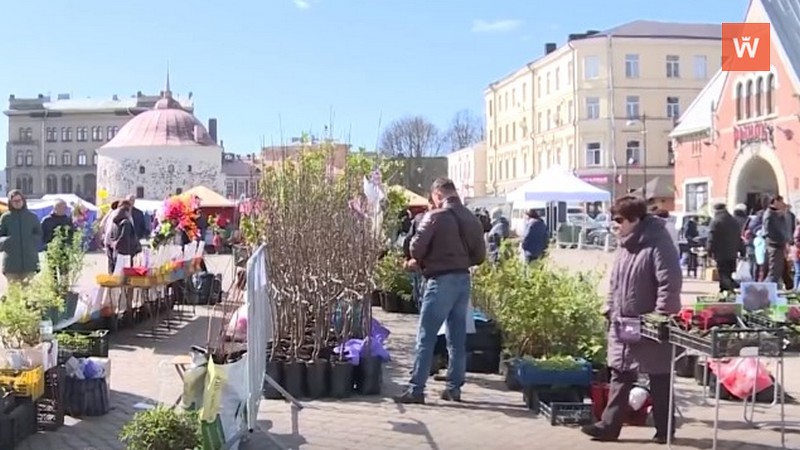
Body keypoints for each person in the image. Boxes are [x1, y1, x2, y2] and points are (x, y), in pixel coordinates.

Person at [581, 196, 682, 444]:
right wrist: (610, 306)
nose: (615, 225)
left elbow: (669, 281)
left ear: (635, 220)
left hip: (649, 323)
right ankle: (609, 426)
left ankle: (664, 429)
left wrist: (661, 315)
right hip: (623, 320)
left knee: (658, 376)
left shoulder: (658, 243)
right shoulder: (625, 245)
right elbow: (616, 282)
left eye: (619, 220)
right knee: (620, 372)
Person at [395, 178, 485, 404]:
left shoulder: (435, 217)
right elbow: (480, 256)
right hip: (463, 279)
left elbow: (416, 247)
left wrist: (427, 259)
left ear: (437, 194)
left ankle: (417, 389)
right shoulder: (471, 218)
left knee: (426, 336)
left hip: (440, 280)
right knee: (456, 338)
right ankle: (454, 388)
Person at [0, 190, 42, 282]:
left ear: (23, 201)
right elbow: (1, 235)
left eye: (19, 200)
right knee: (14, 293)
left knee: (29, 292)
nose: (17, 203)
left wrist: (31, 240)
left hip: (29, 261)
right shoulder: (6, 218)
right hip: (11, 263)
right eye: (14, 201)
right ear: (10, 203)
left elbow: (39, 234)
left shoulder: (32, 217)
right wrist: (7, 241)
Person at [402, 195, 436, 307]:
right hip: (429, 264)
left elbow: (408, 240)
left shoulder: (420, 218)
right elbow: (408, 240)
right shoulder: (420, 219)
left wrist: (408, 258)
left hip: (421, 263)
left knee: (422, 296)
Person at [707, 203, 743, 292]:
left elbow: (712, 237)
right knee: (728, 273)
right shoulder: (733, 220)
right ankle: (726, 290)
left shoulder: (716, 221)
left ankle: (728, 289)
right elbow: (739, 236)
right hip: (732, 252)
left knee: (723, 273)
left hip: (720, 253)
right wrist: (742, 249)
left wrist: (709, 250)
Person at [763, 195, 789, 286]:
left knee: (778, 272)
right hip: (774, 246)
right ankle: (766, 291)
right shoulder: (769, 215)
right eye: (781, 202)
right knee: (774, 272)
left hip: (779, 246)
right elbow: (769, 232)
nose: (783, 204)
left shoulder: (776, 214)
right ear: (775, 202)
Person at [109, 200, 142, 267]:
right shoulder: (126, 222)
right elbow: (124, 237)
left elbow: (111, 236)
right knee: (124, 274)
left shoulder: (114, 222)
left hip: (116, 252)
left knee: (116, 273)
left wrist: (114, 244)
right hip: (125, 254)